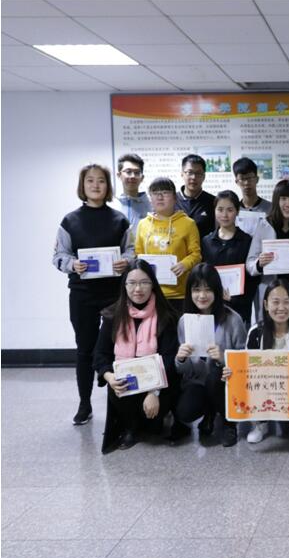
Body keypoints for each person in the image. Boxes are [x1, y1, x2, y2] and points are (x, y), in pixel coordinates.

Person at [53, 164, 135, 425]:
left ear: (108, 186)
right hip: (82, 295)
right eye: (90, 180)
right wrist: (73, 264)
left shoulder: (120, 219)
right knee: (85, 350)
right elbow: (59, 255)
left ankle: (120, 406)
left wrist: (126, 262)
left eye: (101, 181)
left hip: (114, 294)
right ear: (83, 185)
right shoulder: (70, 221)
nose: (96, 185)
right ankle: (84, 404)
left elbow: (132, 251)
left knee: (119, 349)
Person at [93, 260, 179, 453]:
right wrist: (109, 376)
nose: (138, 289)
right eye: (132, 283)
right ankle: (130, 427)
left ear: (153, 284)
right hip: (127, 385)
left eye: (144, 282)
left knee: (154, 427)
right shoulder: (113, 315)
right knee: (115, 387)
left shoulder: (166, 316)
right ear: (124, 286)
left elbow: (169, 358)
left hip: (159, 384)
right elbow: (100, 354)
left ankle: (156, 417)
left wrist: (153, 392)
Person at [174, 264, 247, 447]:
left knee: (215, 377)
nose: (202, 295)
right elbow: (185, 371)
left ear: (217, 291)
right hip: (198, 381)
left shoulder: (233, 319)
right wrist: (181, 359)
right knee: (185, 411)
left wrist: (224, 359)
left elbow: (245, 361)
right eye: (196, 289)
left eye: (208, 289)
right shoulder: (184, 322)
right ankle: (210, 411)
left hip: (226, 382)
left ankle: (229, 423)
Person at [241, 280, 289, 443]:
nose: (281, 308)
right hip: (266, 384)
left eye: (287, 302)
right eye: (275, 302)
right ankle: (261, 423)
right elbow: (248, 370)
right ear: (266, 305)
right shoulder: (255, 332)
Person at [247, 179, 289, 327]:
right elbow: (250, 264)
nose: (288, 204)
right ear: (276, 201)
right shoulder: (264, 226)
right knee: (268, 334)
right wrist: (259, 264)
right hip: (269, 293)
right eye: (283, 199)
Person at [135, 177, 202, 310]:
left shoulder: (188, 223)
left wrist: (184, 264)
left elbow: (196, 254)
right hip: (150, 292)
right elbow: (138, 254)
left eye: (165, 192)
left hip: (180, 294)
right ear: (150, 198)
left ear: (175, 198)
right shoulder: (143, 224)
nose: (160, 197)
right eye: (155, 193)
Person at [201, 191, 256, 327]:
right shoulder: (207, 241)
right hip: (212, 305)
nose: (224, 215)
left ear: (237, 211)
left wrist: (235, 299)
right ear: (214, 211)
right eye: (220, 210)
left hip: (240, 307)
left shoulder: (247, 241)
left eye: (230, 210)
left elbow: (252, 278)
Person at [111, 153, 151, 237]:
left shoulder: (151, 205)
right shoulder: (112, 205)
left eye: (137, 172)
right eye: (128, 172)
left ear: (142, 177)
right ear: (119, 175)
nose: (133, 176)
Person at [177, 154, 215, 238]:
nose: (194, 177)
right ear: (182, 174)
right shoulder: (172, 200)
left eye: (198, 173)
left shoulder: (213, 202)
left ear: (204, 176)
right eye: (190, 172)